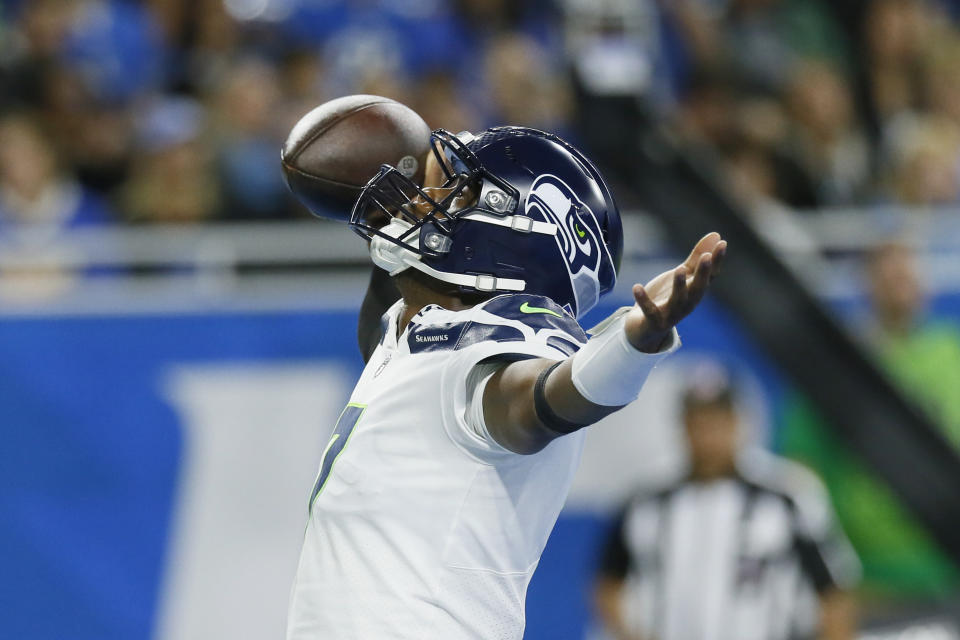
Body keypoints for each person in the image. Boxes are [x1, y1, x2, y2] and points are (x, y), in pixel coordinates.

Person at [284, 126, 726, 639]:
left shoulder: (504, 336)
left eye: (460, 191)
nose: (428, 201)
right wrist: (389, 184)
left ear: (517, 230)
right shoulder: (418, 333)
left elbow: (537, 404)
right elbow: (387, 319)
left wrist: (634, 344)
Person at [594, 363, 860, 640]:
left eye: (716, 422)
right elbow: (609, 580)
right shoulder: (646, 501)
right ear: (682, 426)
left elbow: (833, 592)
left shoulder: (787, 494)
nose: (707, 436)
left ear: (737, 422)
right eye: (697, 422)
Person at [781, 241, 960, 617]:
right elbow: (801, 468)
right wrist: (825, 573)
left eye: (907, 274)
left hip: (950, 568)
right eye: (889, 276)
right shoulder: (840, 364)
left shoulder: (951, 351)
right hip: (869, 582)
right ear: (866, 286)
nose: (901, 284)